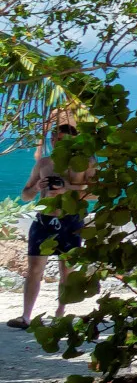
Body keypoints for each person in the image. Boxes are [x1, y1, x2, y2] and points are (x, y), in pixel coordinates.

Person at [12, 108, 92, 330]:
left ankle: (60, 312)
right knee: (35, 269)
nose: (56, 142)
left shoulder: (85, 162)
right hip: (45, 220)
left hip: (71, 220)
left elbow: (97, 192)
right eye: (54, 138)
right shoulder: (44, 163)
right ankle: (26, 316)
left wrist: (66, 188)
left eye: (62, 139)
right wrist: (37, 187)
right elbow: (25, 195)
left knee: (67, 271)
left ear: (73, 140)